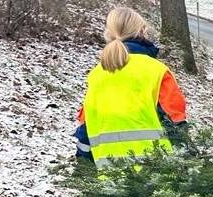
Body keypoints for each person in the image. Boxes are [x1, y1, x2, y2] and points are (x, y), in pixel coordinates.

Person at [73, 7, 187, 168]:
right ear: (142, 31)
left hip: (110, 177)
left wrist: (82, 169)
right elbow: (176, 123)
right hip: (157, 175)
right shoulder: (156, 70)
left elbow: (86, 129)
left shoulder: (97, 75)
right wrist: (189, 165)